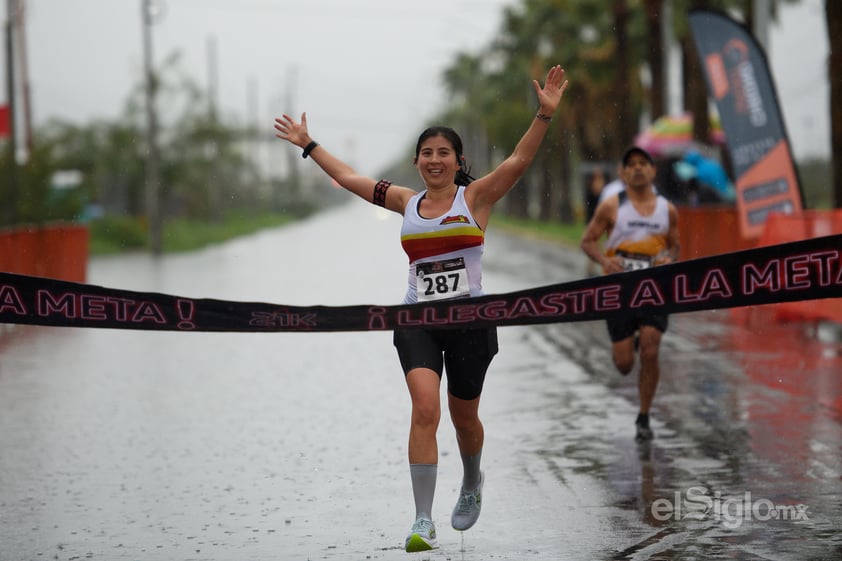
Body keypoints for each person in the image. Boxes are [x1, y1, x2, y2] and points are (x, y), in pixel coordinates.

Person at [274, 65, 568, 552]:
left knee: (464, 418)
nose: (435, 160)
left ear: (458, 161)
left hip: (472, 321)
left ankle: (472, 479)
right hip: (417, 323)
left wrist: (543, 114)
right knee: (425, 409)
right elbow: (350, 177)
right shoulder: (406, 203)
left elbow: (517, 161)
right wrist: (309, 145)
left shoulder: (476, 198)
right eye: (427, 153)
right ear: (417, 162)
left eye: (443, 153)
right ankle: (422, 520)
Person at [580, 146, 680, 442]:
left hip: (653, 289)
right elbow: (587, 241)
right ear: (623, 173)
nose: (637, 168)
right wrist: (604, 261)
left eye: (643, 164)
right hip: (619, 290)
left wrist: (669, 259)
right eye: (631, 165)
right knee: (624, 365)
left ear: (653, 171)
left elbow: (675, 245)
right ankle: (631, 339)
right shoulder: (611, 205)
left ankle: (644, 416)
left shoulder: (667, 209)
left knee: (651, 349)